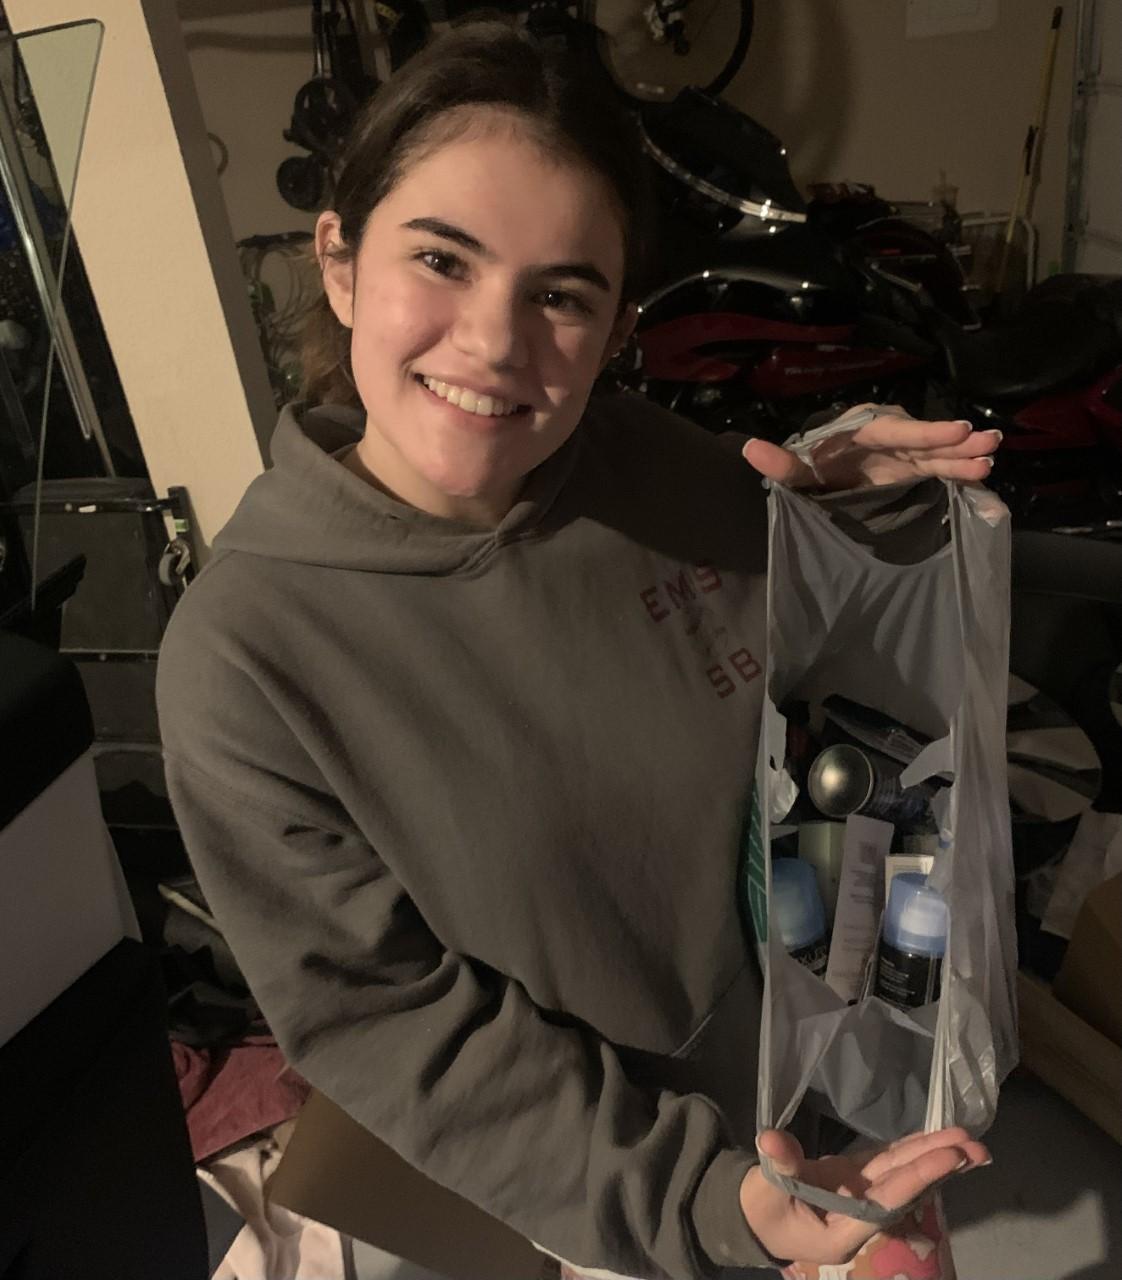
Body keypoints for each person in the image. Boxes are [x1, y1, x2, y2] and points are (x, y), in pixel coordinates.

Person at [156, 22, 996, 1280]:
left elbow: (839, 731)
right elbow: (395, 1027)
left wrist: (843, 509)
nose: (494, 341)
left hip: (854, 1101)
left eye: (559, 293)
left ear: (616, 329)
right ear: (338, 260)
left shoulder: (644, 462)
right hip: (632, 1193)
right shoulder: (245, 660)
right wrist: (713, 1203)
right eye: (441, 258)